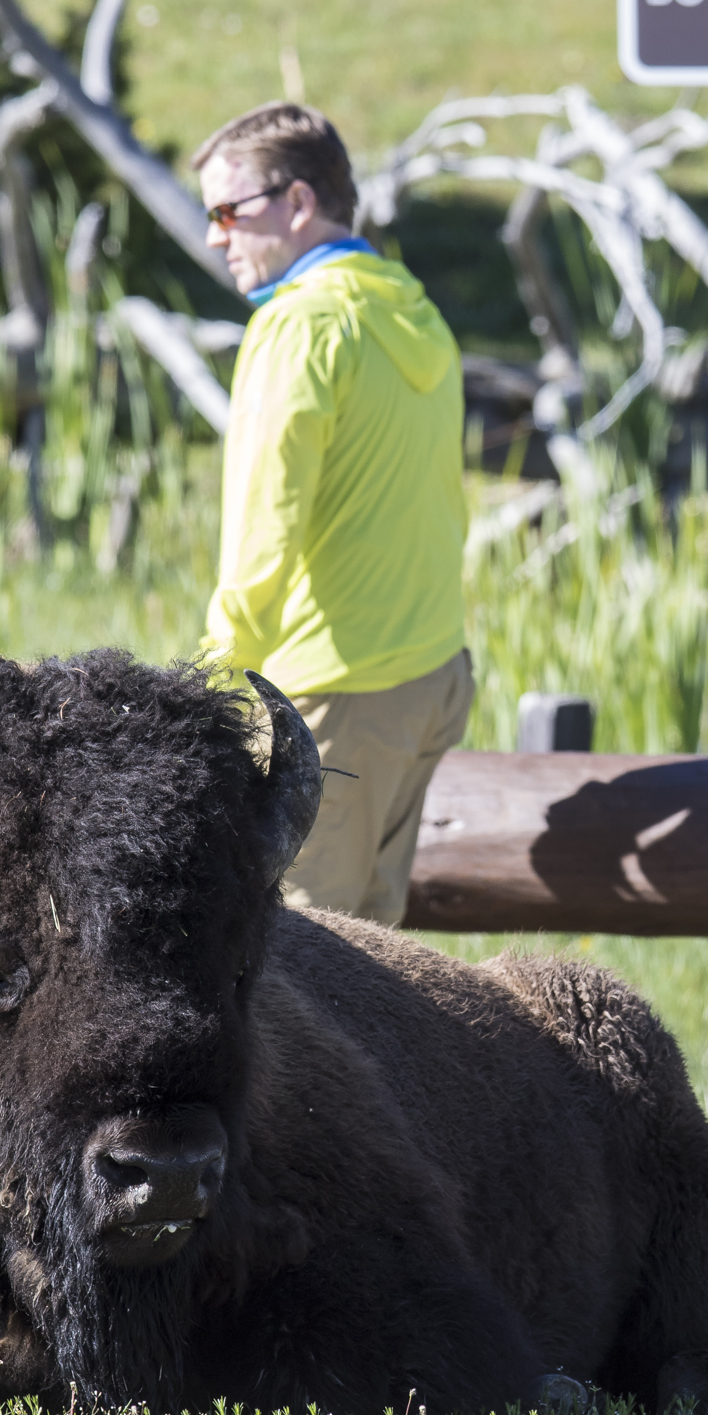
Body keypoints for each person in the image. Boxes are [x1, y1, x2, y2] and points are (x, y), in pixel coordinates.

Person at [195, 101, 472, 928]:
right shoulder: (412, 309)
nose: (216, 237)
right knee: (374, 967)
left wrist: (210, 686)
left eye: (227, 211)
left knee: (291, 971)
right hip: (429, 677)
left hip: (330, 697)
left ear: (298, 203)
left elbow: (262, 533)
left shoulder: (297, 327)